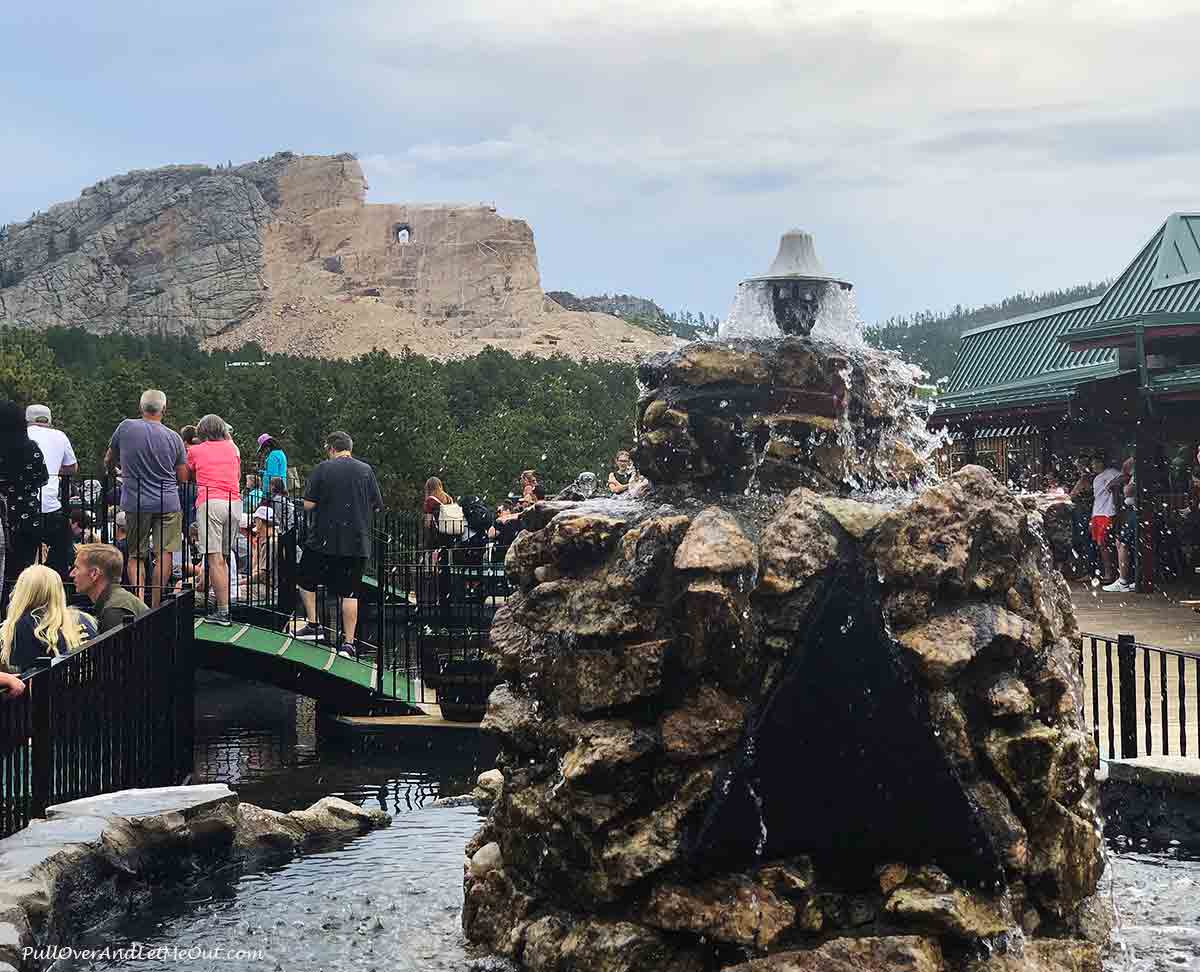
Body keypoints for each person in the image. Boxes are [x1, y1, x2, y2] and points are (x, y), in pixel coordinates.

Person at [294, 432, 383, 658]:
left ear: (331, 449)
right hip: (357, 542)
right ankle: (349, 644)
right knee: (350, 592)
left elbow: (308, 504)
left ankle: (314, 625)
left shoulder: (323, 469)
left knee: (305, 578)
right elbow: (376, 504)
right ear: (349, 448)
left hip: (325, 540)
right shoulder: (366, 471)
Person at [105, 390, 188, 609]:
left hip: (136, 500)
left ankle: (139, 603)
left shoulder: (126, 428)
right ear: (164, 409)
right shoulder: (174, 438)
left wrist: (115, 472)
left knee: (136, 554)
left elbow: (109, 458)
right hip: (168, 501)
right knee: (164, 554)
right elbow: (182, 477)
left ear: (140, 408)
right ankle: (156, 604)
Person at [187, 414, 242, 626]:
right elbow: (236, 476)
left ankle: (223, 611)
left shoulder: (196, 450)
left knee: (214, 558)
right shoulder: (233, 448)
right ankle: (223, 604)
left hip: (210, 502)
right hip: (234, 502)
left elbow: (186, 474)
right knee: (224, 558)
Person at [0, 565, 97, 674]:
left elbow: (25, 680)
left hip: (55, 689)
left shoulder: (26, 624)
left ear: (23, 592)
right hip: (92, 687)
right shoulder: (85, 619)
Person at [0, 401, 48, 613]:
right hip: (28, 516)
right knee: (23, 573)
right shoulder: (31, 448)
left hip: (4, 516)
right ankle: (21, 613)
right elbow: (43, 477)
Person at [24, 404, 78, 582]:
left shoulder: (21, 436)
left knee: (23, 557)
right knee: (61, 550)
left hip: (24, 506)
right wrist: (53, 470)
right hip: (51, 507)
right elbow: (72, 467)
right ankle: (56, 584)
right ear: (49, 420)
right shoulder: (60, 436)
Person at [70, 543, 149, 634]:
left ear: (94, 574)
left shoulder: (114, 612)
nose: (72, 574)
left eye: (77, 568)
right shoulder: (117, 601)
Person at [1104, 458, 1138, 593]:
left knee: (1122, 543)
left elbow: (1128, 491)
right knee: (1131, 544)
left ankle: (1123, 581)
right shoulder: (1136, 472)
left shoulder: (1140, 472)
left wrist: (1126, 486)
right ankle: (1134, 580)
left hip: (1138, 511)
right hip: (1136, 511)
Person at [1089, 454, 1123, 585]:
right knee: (1101, 545)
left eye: (1096, 462)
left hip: (1108, 513)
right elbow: (1097, 498)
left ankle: (1111, 574)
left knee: (1105, 544)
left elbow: (1125, 476)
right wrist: (1092, 518)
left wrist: (1113, 483)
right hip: (1097, 513)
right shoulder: (1096, 478)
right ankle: (1108, 572)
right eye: (1092, 464)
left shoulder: (1111, 472)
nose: (1094, 466)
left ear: (1103, 463)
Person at [422, 476, 455, 550]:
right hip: (450, 531)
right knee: (447, 553)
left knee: (435, 553)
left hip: (437, 533)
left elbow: (428, 521)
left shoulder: (430, 501)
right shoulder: (448, 498)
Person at [256, 434, 288, 498]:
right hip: (281, 487)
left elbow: (273, 475)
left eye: (264, 449)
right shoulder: (281, 453)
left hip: (272, 491)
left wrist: (262, 473)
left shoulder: (273, 455)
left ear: (267, 446)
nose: (264, 451)